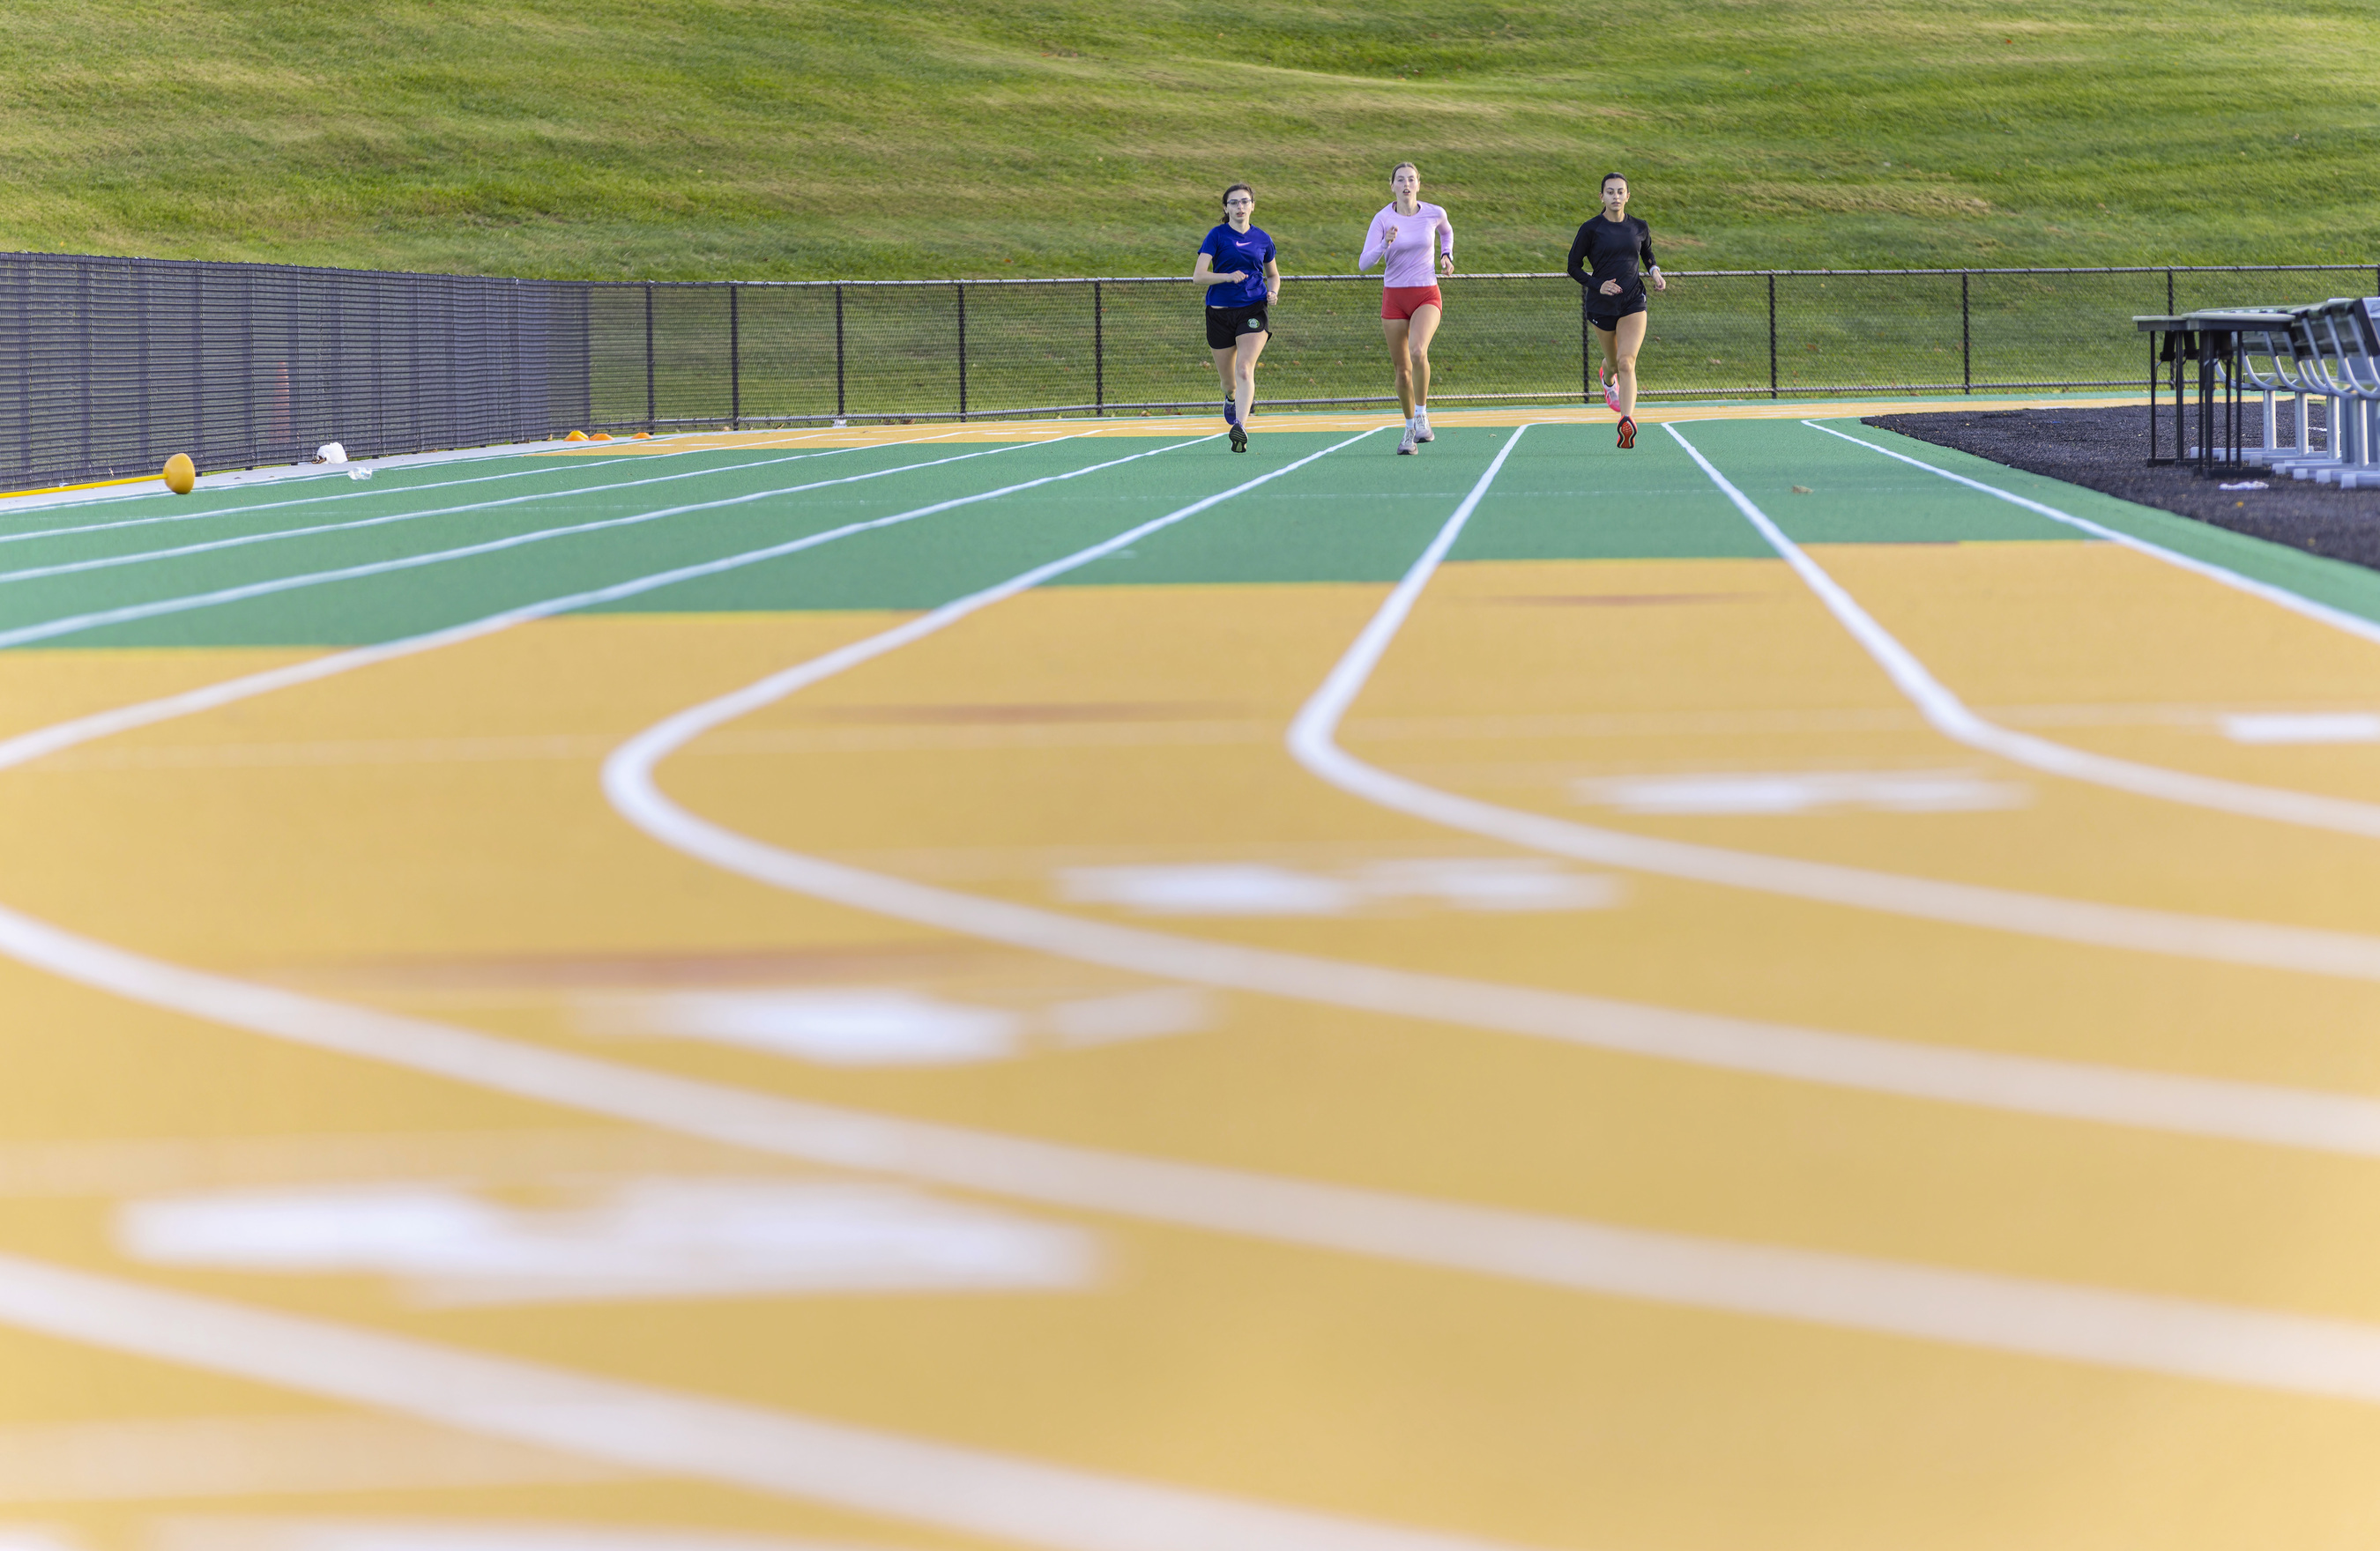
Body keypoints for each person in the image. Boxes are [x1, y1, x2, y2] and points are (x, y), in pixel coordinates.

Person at [1357, 161, 1454, 455]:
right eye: (1400, 180)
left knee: (1418, 351)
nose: (1406, 185)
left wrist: (1446, 256)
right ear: (1392, 186)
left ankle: (1423, 413)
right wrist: (1384, 245)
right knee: (1402, 372)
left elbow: (1446, 232)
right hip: (1394, 296)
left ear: (1419, 184)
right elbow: (1364, 263)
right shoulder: (1383, 218)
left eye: (1411, 179)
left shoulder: (1434, 213)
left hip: (1426, 292)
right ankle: (1410, 427)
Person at [1566, 173, 1665, 449]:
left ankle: (1627, 421)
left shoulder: (1639, 226)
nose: (1616, 196)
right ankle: (1607, 379)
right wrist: (1598, 285)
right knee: (1612, 363)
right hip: (1602, 305)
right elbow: (1573, 266)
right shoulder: (1590, 229)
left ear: (1628, 196)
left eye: (1621, 192)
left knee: (1626, 361)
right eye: (1610, 192)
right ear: (1601, 197)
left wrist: (1655, 271)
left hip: (1633, 300)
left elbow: (1647, 253)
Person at [1192, 183, 1279, 452]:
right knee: (1229, 382)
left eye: (1245, 202)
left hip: (1253, 309)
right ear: (1226, 208)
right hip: (1219, 313)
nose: (1240, 207)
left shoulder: (1263, 239)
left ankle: (1239, 425)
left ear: (1253, 205)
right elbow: (1199, 276)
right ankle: (1231, 398)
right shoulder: (1216, 236)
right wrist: (1227, 276)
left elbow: (1273, 274)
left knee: (1244, 369)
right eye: (1234, 203)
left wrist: (1273, 291)